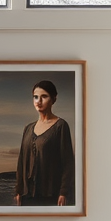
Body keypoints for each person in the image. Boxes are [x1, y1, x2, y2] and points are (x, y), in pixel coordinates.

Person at [14, 79, 75, 207]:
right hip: (27, 195)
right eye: (35, 97)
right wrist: (18, 191)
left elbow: (68, 162)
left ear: (54, 99)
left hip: (50, 195)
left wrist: (63, 192)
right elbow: (21, 162)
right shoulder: (28, 128)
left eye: (44, 96)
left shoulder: (61, 126)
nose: (39, 101)